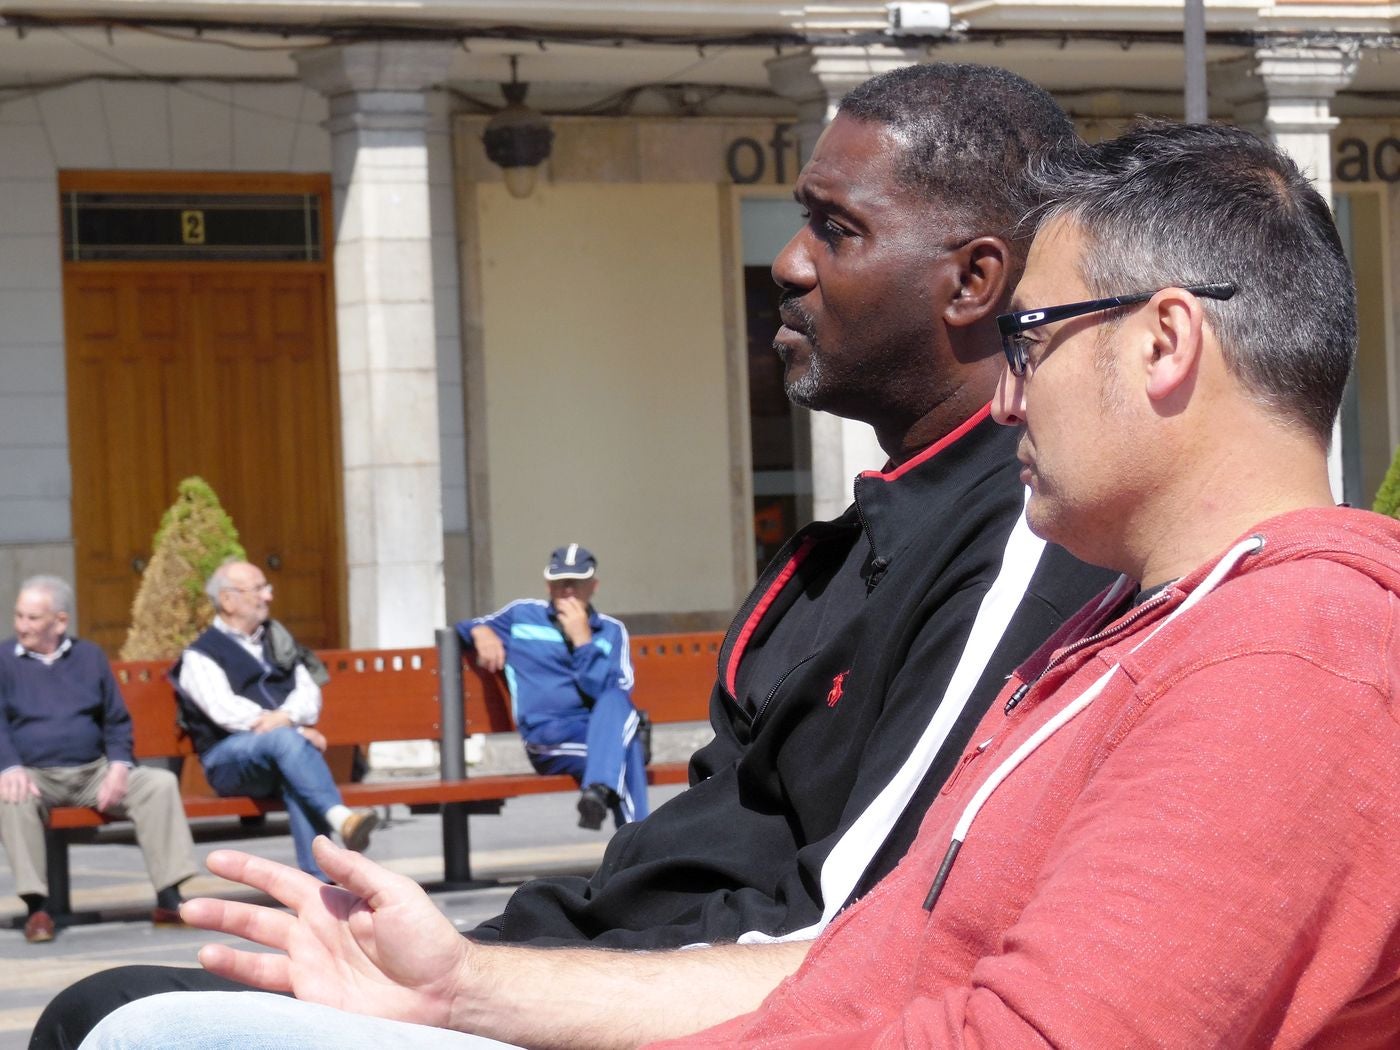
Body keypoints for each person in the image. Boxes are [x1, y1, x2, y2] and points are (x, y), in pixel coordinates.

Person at [78, 119, 1400, 1050]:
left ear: (1164, 342)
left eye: (1029, 338)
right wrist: (466, 986)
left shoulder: (1291, 658)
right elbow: (859, 960)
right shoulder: (1132, 630)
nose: (1003, 392)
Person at [0, 575, 197, 943]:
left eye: (32, 618)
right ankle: (37, 908)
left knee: (159, 784)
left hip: (94, 772)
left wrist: (120, 766)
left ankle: (170, 897)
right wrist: (8, 766)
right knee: (11, 797)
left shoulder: (88, 657)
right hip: (34, 775)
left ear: (59, 621)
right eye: (19, 616)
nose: (21, 626)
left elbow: (117, 720)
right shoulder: (3, 661)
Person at [172, 560, 379, 881]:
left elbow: (309, 695)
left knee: (295, 771)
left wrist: (287, 720)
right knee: (290, 745)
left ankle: (320, 883)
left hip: (280, 756)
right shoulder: (201, 654)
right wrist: (291, 730)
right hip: (228, 761)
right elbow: (225, 711)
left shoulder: (278, 640)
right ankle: (340, 820)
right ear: (227, 600)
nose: (268, 596)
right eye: (259, 589)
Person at [460, 544, 647, 830]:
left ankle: (598, 793)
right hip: (547, 737)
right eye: (560, 583)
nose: (567, 591)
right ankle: (641, 859)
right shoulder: (521, 616)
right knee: (626, 750)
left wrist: (584, 642)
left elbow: (613, 695)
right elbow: (460, 627)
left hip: (596, 731)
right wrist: (479, 630)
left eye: (576, 583)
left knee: (616, 702)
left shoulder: (611, 631)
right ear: (548, 584)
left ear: (593, 586)